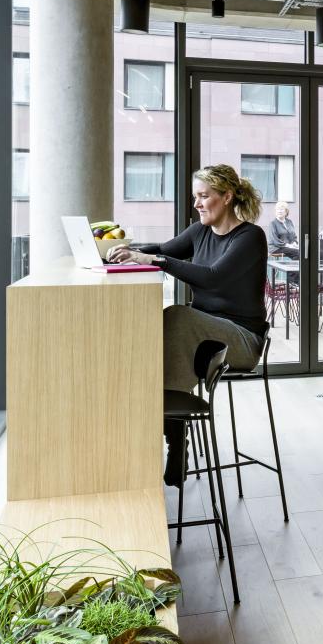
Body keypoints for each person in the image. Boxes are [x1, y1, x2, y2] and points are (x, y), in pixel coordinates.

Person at [110, 164, 270, 485]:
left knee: (177, 316)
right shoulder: (200, 231)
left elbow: (213, 277)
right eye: (195, 197)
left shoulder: (250, 237)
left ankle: (173, 436)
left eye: (203, 196)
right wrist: (129, 251)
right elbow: (163, 250)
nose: (196, 204)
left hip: (242, 338)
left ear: (227, 197)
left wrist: (154, 260)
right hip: (204, 334)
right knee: (165, 334)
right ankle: (167, 427)